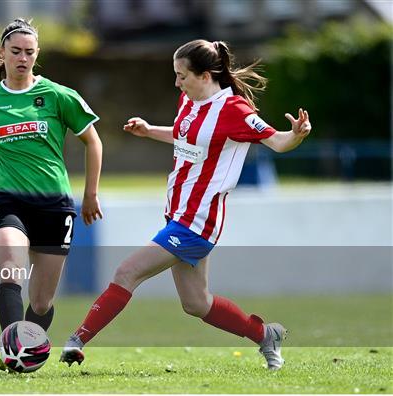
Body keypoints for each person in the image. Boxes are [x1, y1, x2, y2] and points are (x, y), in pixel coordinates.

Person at [59, 39, 311, 371]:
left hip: (198, 220)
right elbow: (186, 136)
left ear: (205, 75)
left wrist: (297, 134)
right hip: (177, 214)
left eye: (182, 76)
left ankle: (76, 341)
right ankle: (265, 334)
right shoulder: (189, 100)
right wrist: (150, 131)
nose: (177, 83)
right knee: (196, 304)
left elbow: (278, 141)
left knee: (127, 272)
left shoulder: (234, 110)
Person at [0, 18, 103, 370]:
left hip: (54, 205)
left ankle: (27, 349)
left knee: (40, 301)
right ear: (2, 52)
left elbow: (93, 141)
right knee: (10, 271)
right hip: (9, 201)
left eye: (30, 52)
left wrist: (91, 194)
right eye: (16, 51)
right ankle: (12, 352)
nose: (23, 58)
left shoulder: (59, 96)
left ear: (37, 55)